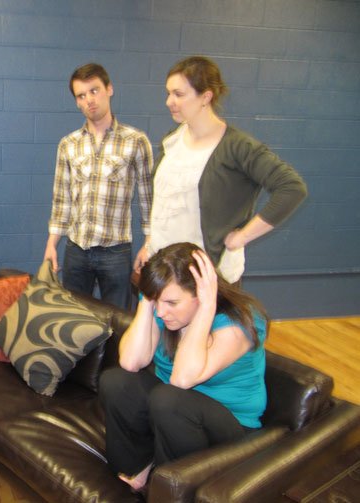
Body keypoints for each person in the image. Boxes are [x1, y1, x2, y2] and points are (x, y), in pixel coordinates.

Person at [99, 242, 268, 492]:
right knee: (116, 381)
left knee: (169, 399)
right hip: (173, 414)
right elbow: (130, 362)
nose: (163, 312)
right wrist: (147, 300)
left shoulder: (240, 320)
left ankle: (168, 489)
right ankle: (134, 471)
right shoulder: (161, 309)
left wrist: (206, 309)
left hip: (231, 426)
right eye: (158, 301)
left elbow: (182, 381)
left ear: (202, 292)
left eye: (171, 303)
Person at [148, 55, 307, 283]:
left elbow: (292, 188)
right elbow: (164, 203)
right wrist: (149, 244)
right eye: (168, 93)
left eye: (179, 94)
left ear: (205, 97)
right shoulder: (172, 140)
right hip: (164, 270)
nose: (169, 101)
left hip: (208, 276)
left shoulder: (237, 146)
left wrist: (241, 236)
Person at [44, 62, 154, 310]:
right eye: (81, 96)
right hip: (76, 250)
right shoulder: (68, 145)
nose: (89, 100)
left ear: (109, 89)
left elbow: (149, 199)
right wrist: (52, 244)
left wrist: (149, 243)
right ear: (77, 102)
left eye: (94, 91)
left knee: (117, 323)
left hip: (115, 252)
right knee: (72, 318)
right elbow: (61, 200)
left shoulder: (136, 142)